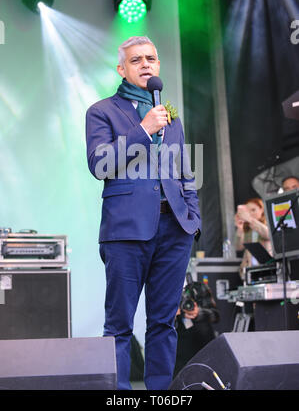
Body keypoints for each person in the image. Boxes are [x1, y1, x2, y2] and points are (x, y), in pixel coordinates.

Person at [85, 36, 201, 390]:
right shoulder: (102, 111)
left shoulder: (171, 116)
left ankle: (160, 392)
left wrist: (192, 218)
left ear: (159, 66)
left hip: (175, 230)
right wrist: (143, 129)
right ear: (122, 69)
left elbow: (184, 170)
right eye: (136, 60)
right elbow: (100, 164)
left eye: (151, 58)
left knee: (164, 322)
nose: (146, 64)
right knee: (119, 324)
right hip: (126, 231)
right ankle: (120, 395)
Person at [173, 275, 219, 378]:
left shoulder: (199, 288)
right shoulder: (167, 291)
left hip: (202, 337)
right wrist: (172, 315)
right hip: (179, 338)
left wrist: (199, 313)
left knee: (203, 327)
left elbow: (216, 315)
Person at [235, 197, 272, 280]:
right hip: (251, 270)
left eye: (253, 210)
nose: (250, 213)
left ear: (261, 209)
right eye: (248, 211)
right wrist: (239, 228)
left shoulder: (268, 224)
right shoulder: (248, 229)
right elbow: (238, 247)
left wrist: (250, 219)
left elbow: (268, 235)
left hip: (267, 269)